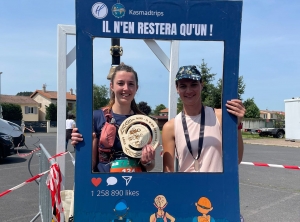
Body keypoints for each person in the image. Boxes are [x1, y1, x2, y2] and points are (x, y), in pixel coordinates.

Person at [71, 63, 155, 172]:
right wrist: (82, 147)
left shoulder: (143, 122)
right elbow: (90, 166)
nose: (126, 88)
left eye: (131, 84)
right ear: (112, 86)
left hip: (136, 186)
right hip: (105, 187)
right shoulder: (96, 117)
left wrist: (147, 161)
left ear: (136, 88)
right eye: (120, 83)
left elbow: (150, 166)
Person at [162, 65, 245, 172]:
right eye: (183, 86)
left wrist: (236, 125)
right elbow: (168, 171)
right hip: (187, 187)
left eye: (194, 85)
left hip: (216, 187)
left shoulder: (220, 116)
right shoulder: (170, 127)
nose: (188, 91)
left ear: (202, 85)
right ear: (177, 89)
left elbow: (237, 158)